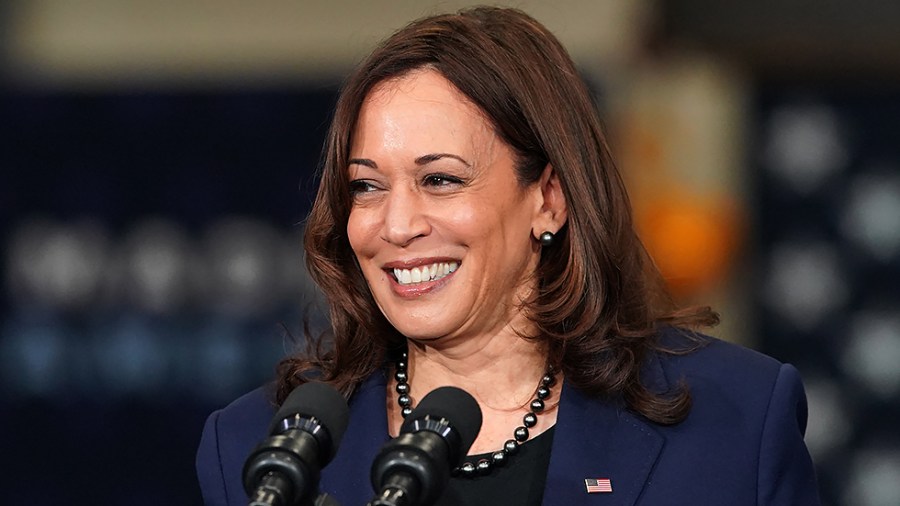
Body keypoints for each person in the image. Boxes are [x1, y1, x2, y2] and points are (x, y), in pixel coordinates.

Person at [197, 7, 820, 505]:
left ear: (548, 198)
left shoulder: (735, 422)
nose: (397, 224)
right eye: (367, 186)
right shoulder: (260, 450)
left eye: (440, 180)